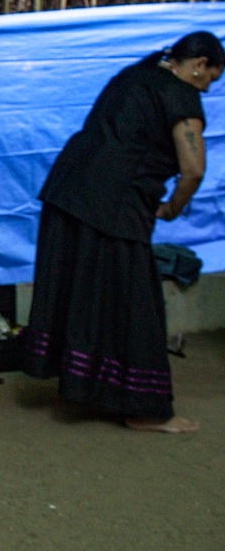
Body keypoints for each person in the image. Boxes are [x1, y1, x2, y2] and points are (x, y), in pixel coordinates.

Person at [23, 31, 224, 434]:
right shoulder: (179, 92)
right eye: (210, 80)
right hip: (114, 203)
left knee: (83, 291)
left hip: (69, 189)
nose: (207, 89)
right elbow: (194, 169)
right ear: (199, 64)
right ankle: (145, 409)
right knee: (133, 302)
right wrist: (172, 207)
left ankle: (80, 385)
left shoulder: (136, 74)